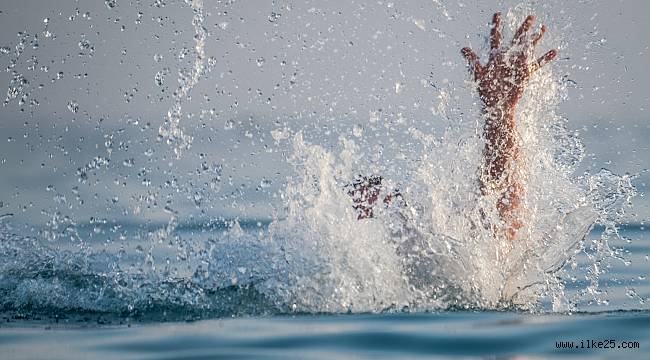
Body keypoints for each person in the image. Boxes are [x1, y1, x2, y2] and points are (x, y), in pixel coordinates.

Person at [349, 13, 557, 241]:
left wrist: (500, 113)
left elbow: (499, 228)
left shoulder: (428, 243)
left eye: (374, 203)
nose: (365, 214)